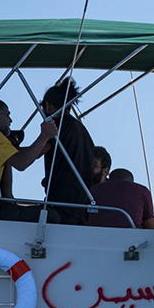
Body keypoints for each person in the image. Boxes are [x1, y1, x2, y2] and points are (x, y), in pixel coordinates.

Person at [0, 98, 55, 220]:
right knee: (51, 216)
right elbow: (21, 162)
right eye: (7, 115)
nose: (10, 120)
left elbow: (18, 155)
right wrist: (45, 136)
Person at [40, 78, 97, 225]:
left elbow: (37, 151)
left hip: (61, 204)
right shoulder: (82, 130)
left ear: (48, 106)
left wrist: (9, 151)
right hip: (80, 206)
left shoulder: (58, 125)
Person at [89, 168, 154, 229]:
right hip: (132, 236)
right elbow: (149, 226)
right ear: (131, 181)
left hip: (97, 234)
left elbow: (85, 218)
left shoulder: (95, 189)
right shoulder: (143, 191)